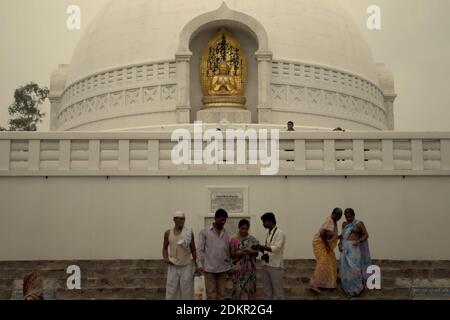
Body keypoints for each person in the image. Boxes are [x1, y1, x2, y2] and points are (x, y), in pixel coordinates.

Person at [197, 209, 232, 300]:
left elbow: (227, 251)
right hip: (209, 269)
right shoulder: (205, 232)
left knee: (222, 294)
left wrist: (229, 267)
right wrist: (199, 264)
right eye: (221, 220)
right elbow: (200, 249)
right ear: (215, 218)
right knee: (211, 295)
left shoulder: (226, 233)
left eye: (225, 220)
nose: (223, 222)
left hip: (223, 269)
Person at [163, 211, 197, 300]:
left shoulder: (188, 232)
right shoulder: (168, 233)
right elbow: (165, 248)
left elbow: (193, 249)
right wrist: (165, 257)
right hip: (173, 265)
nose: (183, 221)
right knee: (172, 290)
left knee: (187, 290)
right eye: (180, 219)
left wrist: (196, 264)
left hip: (186, 266)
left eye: (184, 219)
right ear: (174, 220)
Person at [339, 208, 372, 298]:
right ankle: (348, 290)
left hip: (354, 248)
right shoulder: (344, 224)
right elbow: (342, 236)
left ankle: (357, 289)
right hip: (345, 247)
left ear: (354, 215)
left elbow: (366, 235)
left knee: (355, 268)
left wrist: (359, 240)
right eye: (346, 217)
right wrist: (340, 244)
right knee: (345, 269)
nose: (348, 218)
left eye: (350, 216)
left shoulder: (359, 223)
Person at [252, 212, 286, 300]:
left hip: (275, 265)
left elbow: (276, 248)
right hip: (265, 264)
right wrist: (258, 247)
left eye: (264, 222)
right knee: (267, 292)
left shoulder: (280, 233)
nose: (263, 224)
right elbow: (267, 249)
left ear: (271, 221)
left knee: (278, 292)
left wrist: (262, 247)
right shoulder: (268, 233)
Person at [309, 208, 343, 294]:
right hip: (321, 244)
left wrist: (339, 237)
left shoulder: (333, 222)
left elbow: (331, 236)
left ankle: (328, 283)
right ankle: (314, 284)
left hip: (325, 244)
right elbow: (322, 233)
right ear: (333, 214)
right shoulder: (330, 220)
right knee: (323, 262)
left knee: (331, 261)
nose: (338, 218)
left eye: (339, 217)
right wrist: (327, 246)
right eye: (337, 216)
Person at [230, 219, 259, 300]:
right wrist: (238, 253)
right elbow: (232, 255)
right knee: (238, 290)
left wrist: (250, 251)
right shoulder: (234, 240)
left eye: (246, 229)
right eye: (242, 229)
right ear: (239, 228)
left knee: (249, 289)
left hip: (250, 269)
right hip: (238, 269)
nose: (244, 231)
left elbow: (257, 253)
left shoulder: (252, 239)